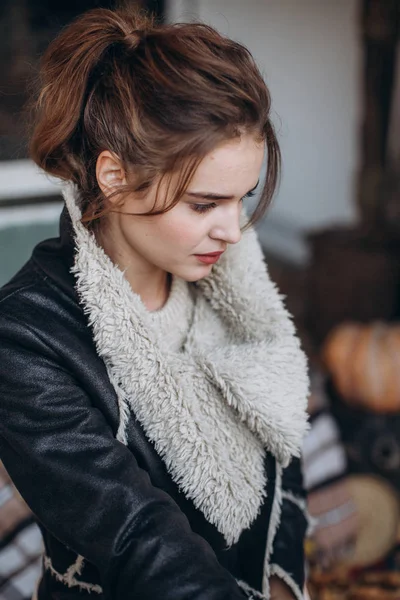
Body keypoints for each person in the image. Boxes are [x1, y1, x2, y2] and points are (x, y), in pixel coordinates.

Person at [0, 6, 310, 600]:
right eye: (203, 204)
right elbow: (135, 536)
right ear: (114, 178)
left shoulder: (241, 293)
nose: (233, 230)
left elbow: (284, 439)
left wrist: (281, 584)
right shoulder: (26, 337)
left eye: (241, 198)